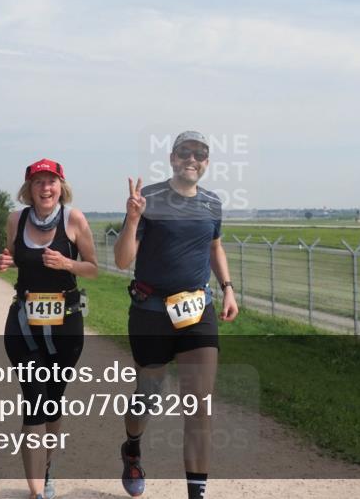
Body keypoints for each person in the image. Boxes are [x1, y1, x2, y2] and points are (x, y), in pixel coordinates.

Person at [113, 131, 239, 499]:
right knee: (148, 397)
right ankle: (132, 447)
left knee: (199, 406)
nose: (192, 159)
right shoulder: (148, 198)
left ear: (206, 163)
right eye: (185, 152)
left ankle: (196, 495)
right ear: (172, 158)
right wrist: (133, 218)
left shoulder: (212, 203)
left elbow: (214, 247)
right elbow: (123, 260)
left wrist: (228, 287)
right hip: (151, 312)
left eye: (200, 154)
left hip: (197, 312)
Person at [0, 158, 98, 499]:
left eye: (51, 181)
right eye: (38, 181)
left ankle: (47, 468)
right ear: (29, 189)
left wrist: (68, 263)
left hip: (66, 322)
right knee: (34, 400)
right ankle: (37, 492)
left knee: (53, 401)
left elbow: (93, 269)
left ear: (61, 186)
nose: (45, 187)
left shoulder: (75, 219)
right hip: (24, 323)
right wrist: (5, 260)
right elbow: (11, 254)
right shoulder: (16, 219)